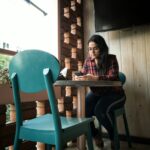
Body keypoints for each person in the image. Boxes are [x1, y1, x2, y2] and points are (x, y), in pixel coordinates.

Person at [74, 34, 126, 149]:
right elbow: (83, 73)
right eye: (90, 49)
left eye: (95, 48)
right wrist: (80, 77)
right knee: (83, 109)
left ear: (102, 48)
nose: (92, 52)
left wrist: (95, 78)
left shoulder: (111, 58)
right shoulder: (88, 61)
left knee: (99, 110)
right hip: (98, 93)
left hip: (115, 93)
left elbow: (113, 77)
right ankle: (95, 134)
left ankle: (113, 136)